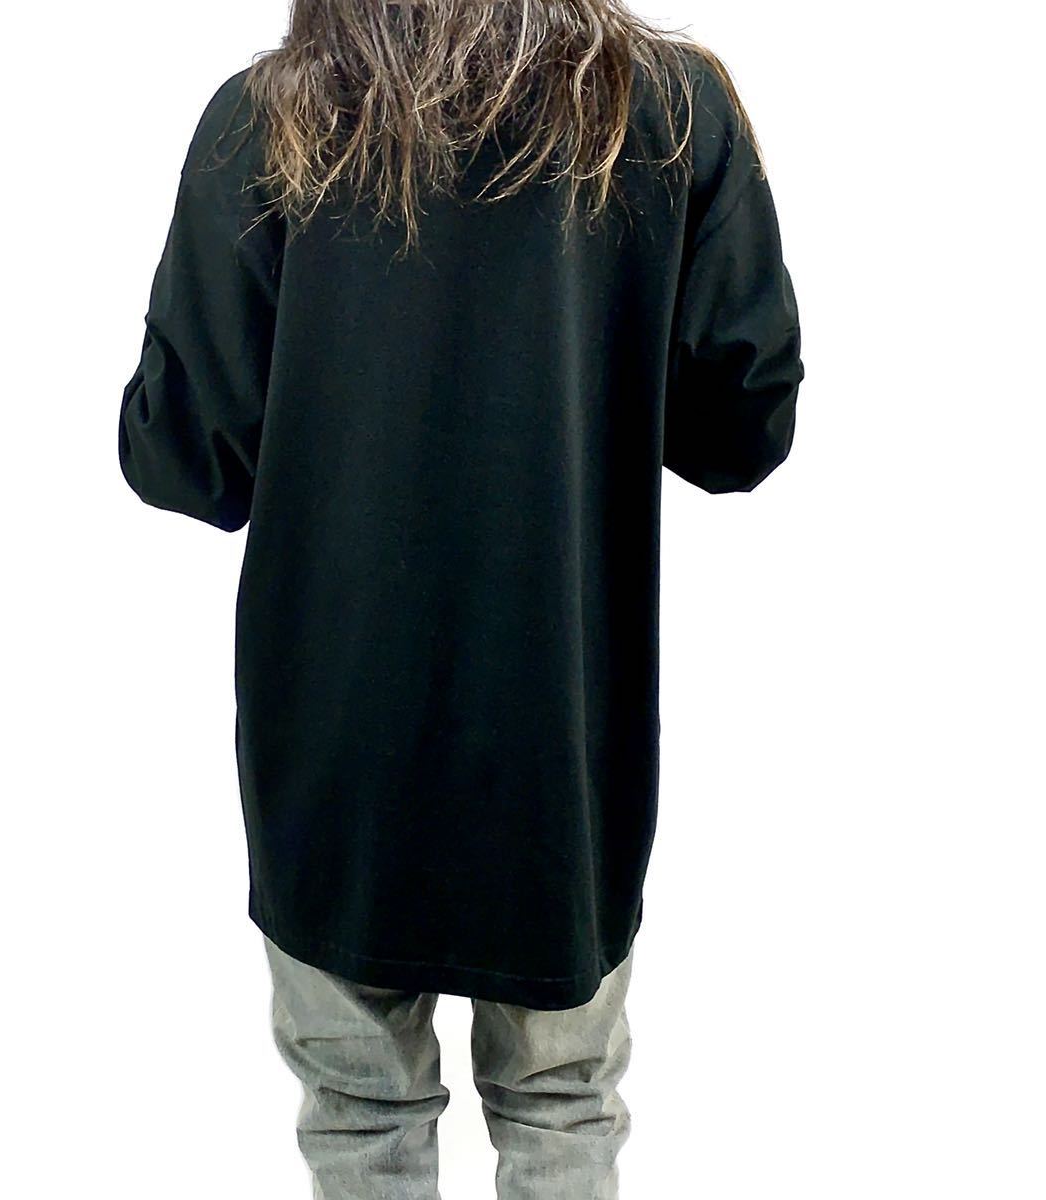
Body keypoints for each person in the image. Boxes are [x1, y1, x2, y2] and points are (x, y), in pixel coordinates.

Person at [118, 1, 803, 1196]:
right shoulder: (671, 113)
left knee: (359, 1114)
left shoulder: (266, 121)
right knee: (562, 1105)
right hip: (561, 753)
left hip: (337, 755)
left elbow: (185, 459)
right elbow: (743, 424)